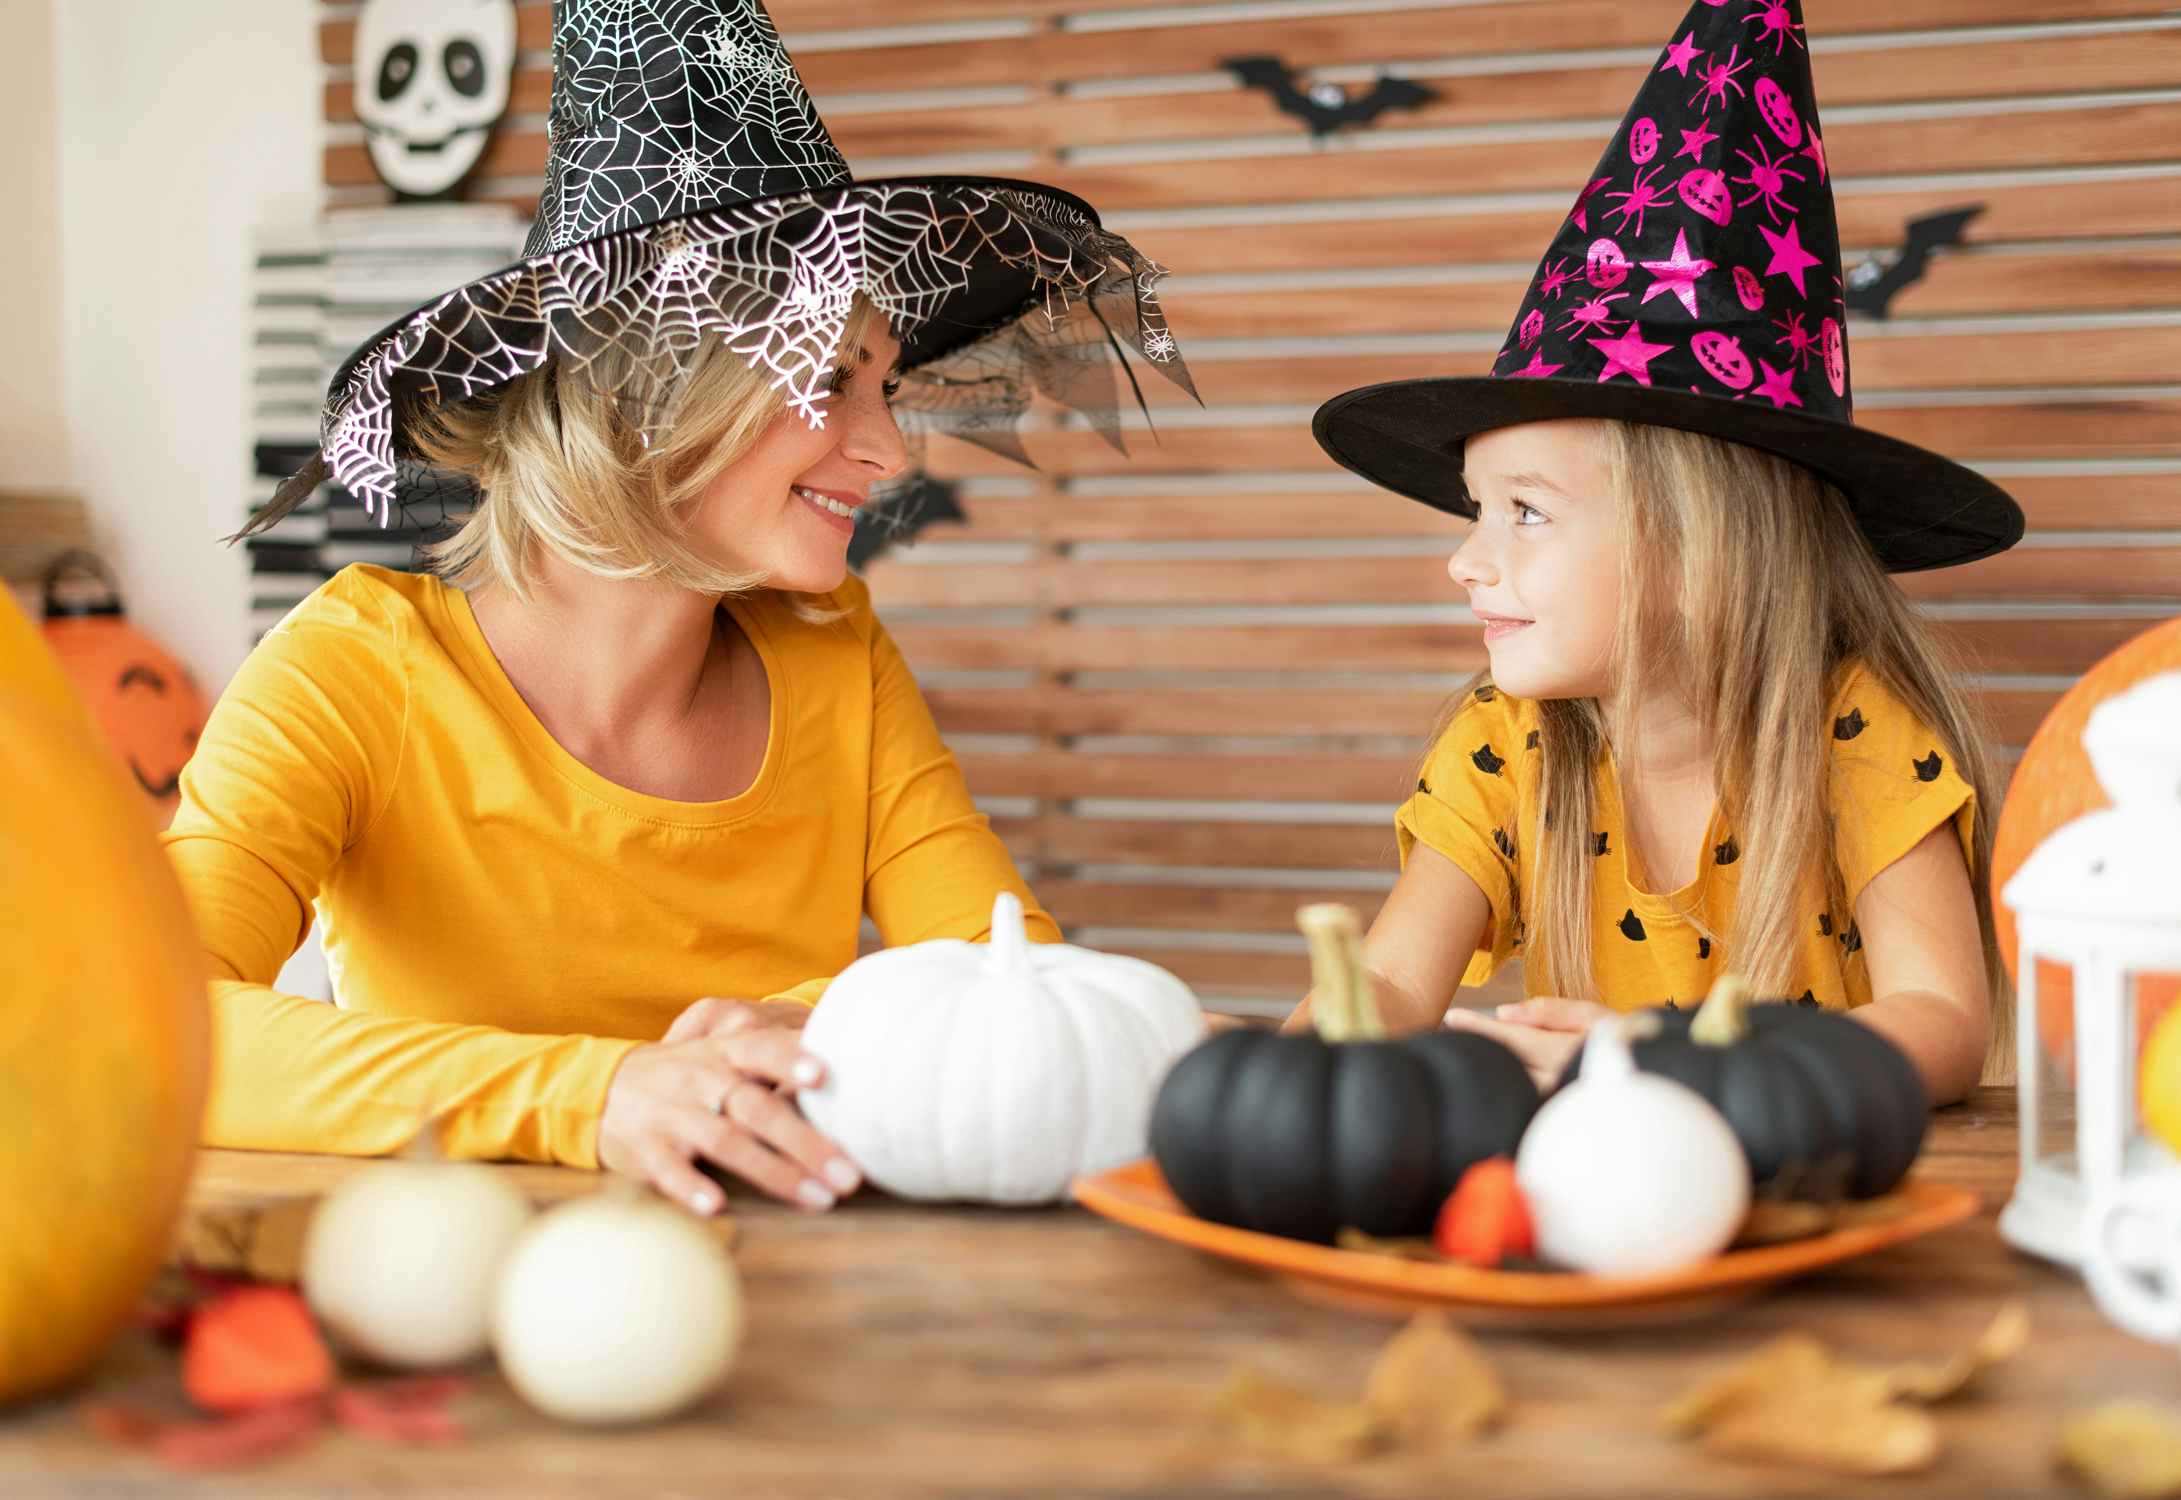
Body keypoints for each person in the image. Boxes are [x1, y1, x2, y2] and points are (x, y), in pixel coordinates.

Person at [171, 0, 1193, 1216]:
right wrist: (603, 1097)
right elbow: (158, 1022)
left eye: (887, 384)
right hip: (465, 1305)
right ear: (644, 392)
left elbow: (1011, 984)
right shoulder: (349, 672)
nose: (889, 451)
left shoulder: (836, 657)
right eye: (827, 379)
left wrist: (820, 1035)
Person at [1286, 0, 2021, 1107]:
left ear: (1697, 548)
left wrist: (1701, 1071)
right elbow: (1385, 979)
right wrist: (1284, 1076)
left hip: (1809, 1183)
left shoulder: (1850, 730)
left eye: (1523, 513)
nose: (1466, 562)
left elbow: (1945, 1021)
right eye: (1474, 511)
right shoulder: (1508, 746)